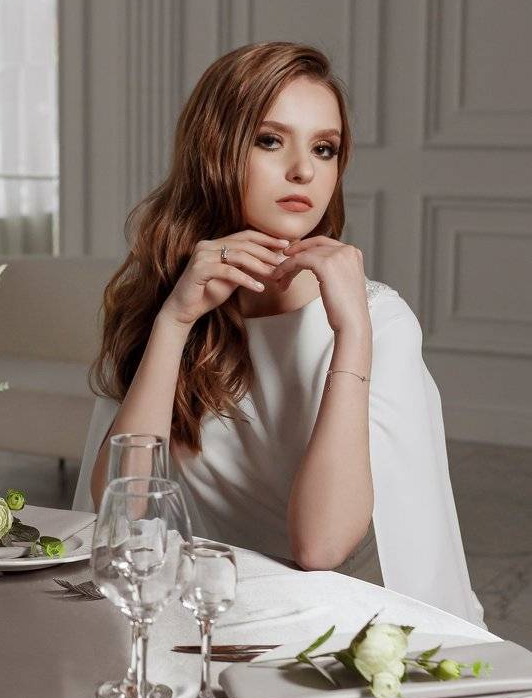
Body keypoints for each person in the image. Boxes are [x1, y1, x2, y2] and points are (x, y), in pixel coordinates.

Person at [73, 41, 483, 626]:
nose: (304, 171)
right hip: (208, 616)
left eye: (324, 148)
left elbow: (319, 548)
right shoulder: (172, 301)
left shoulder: (378, 321)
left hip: (346, 628)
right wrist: (174, 322)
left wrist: (353, 333)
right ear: (214, 151)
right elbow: (124, 512)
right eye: (270, 140)